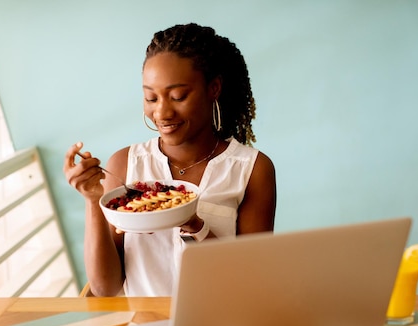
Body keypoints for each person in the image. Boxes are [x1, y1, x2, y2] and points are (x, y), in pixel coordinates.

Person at [63, 23, 276, 297]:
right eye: (151, 97)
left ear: (213, 88)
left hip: (219, 325)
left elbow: (250, 280)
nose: (162, 112)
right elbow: (106, 288)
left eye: (178, 96)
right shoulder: (125, 164)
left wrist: (195, 225)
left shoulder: (252, 169)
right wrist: (93, 201)